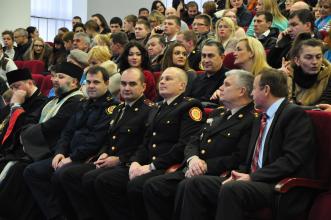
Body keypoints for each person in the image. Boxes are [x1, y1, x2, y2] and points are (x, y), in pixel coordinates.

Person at [177, 68, 316, 220]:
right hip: (255, 180)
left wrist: (252, 177)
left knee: (232, 189)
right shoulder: (261, 116)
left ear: (266, 90)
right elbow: (250, 157)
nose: (251, 94)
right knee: (194, 184)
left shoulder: (293, 115)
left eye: (255, 88)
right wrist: (237, 174)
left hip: (278, 185)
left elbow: (291, 160)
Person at [91, 67, 204, 220]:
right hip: (148, 163)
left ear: (182, 86)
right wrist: (135, 162)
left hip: (167, 166)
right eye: (162, 78)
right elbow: (146, 142)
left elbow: (184, 144)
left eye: (168, 79)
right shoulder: (158, 107)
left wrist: (152, 166)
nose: (162, 81)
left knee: (135, 185)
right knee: (104, 180)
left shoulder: (190, 106)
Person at [143, 69, 256, 220]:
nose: (220, 88)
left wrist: (204, 166)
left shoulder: (251, 119)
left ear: (242, 91)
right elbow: (193, 141)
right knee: (153, 185)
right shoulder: (218, 114)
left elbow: (238, 157)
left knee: (187, 186)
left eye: (226, 85)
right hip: (194, 168)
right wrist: (193, 160)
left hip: (215, 173)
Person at [50, 67, 155, 219]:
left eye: (132, 84)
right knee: (72, 176)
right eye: (123, 84)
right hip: (109, 160)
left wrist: (120, 159)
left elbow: (145, 145)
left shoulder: (149, 110)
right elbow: (109, 138)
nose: (126, 88)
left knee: (93, 178)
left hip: (130, 163)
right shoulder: (120, 108)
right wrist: (104, 153)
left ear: (143, 87)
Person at [23, 66, 118, 220]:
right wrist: (60, 153)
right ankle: (57, 216)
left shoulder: (111, 107)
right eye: (88, 82)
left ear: (106, 83)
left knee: (60, 175)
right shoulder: (83, 103)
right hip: (69, 155)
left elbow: (95, 140)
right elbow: (67, 132)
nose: (91, 86)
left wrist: (71, 158)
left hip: (87, 157)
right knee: (32, 171)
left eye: (96, 82)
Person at [0, 68, 47, 220]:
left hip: (24, 152)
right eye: (12, 87)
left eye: (17, 86)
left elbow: (26, 129)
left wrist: (16, 107)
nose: (14, 90)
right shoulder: (18, 101)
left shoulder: (42, 103)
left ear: (30, 82)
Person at [288, 37, 331, 105]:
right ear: (297, 61)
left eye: (318, 57)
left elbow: (325, 103)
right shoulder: (286, 75)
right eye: (308, 57)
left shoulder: (329, 74)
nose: (314, 62)